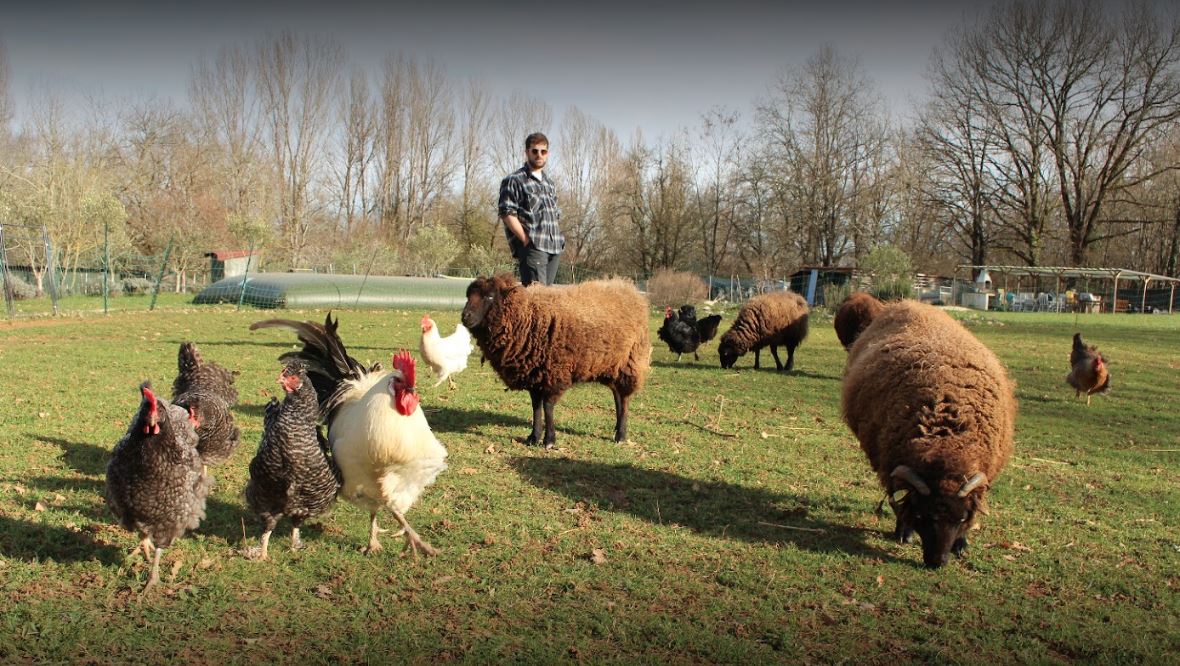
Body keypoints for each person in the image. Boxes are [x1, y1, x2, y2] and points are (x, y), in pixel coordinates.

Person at [498, 132, 564, 286]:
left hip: (554, 248)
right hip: (534, 247)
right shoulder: (514, 180)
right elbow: (506, 212)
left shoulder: (549, 183)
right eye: (534, 151)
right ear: (527, 152)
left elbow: (555, 215)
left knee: (547, 300)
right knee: (536, 300)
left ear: (547, 154)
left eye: (543, 151)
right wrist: (526, 240)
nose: (539, 155)